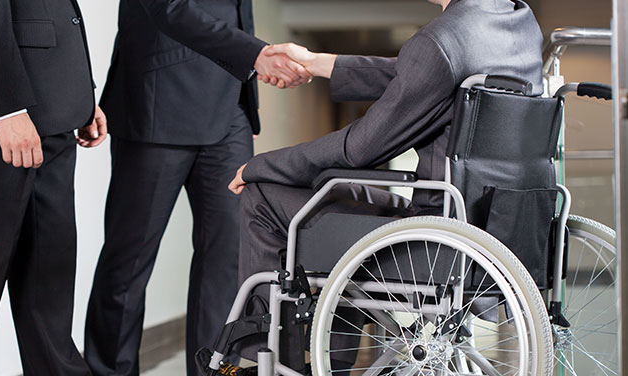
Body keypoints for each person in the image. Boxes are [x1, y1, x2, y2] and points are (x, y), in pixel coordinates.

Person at [228, 0, 544, 370]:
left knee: (263, 195)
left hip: (436, 247)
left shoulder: (443, 39)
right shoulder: (516, 20)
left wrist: (262, 164)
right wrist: (317, 62)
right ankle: (328, 360)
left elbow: (359, 148)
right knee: (347, 196)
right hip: (500, 228)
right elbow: (418, 75)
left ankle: (268, 361)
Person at [83, 1, 311, 375]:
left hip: (230, 112)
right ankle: (109, 371)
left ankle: (213, 370)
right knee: (129, 258)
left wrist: (247, 104)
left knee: (227, 261)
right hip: (156, 102)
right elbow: (168, 8)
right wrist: (256, 54)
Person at [0, 0, 107, 374]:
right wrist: (6, 108)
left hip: (56, 102)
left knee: (49, 271)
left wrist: (82, 91)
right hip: (7, 111)